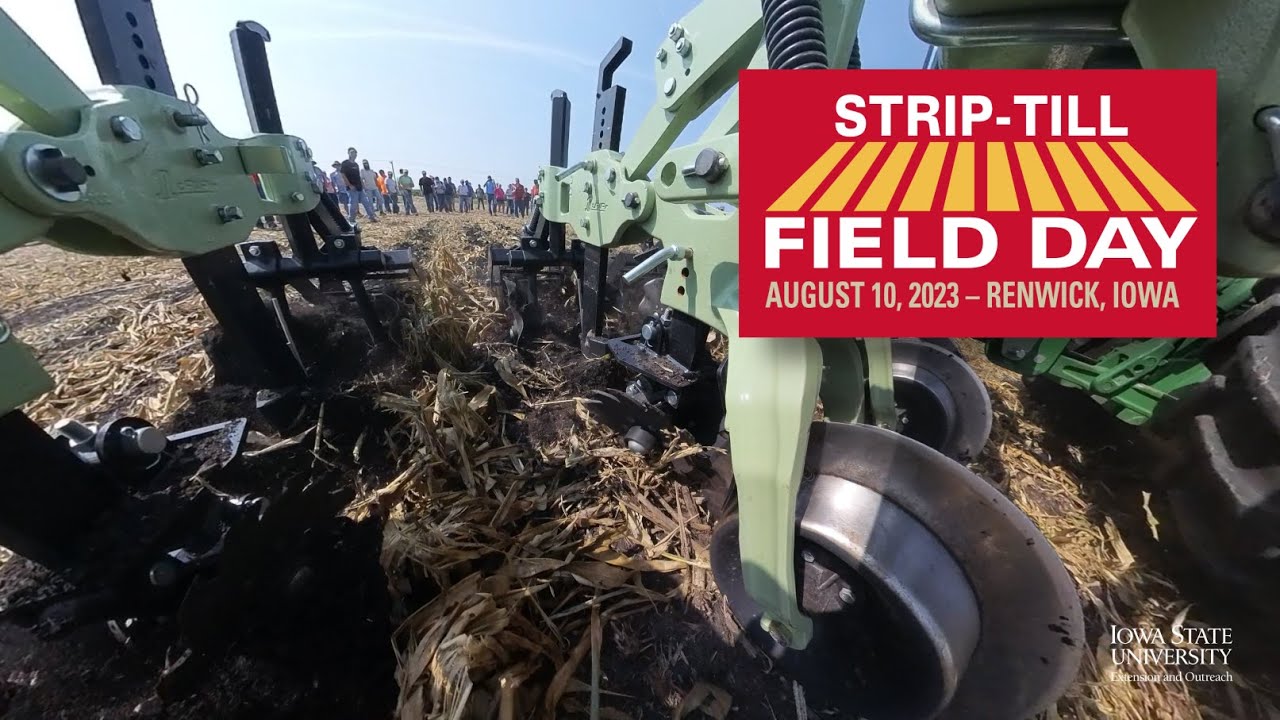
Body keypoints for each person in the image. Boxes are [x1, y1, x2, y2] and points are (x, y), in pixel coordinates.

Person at [340, 148, 378, 221]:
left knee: (366, 203)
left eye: (355, 153)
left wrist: (363, 186)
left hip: (359, 187)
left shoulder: (356, 164)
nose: (354, 154)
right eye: (352, 152)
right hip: (352, 188)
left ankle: (371, 217)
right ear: (348, 153)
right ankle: (351, 219)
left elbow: (358, 176)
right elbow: (343, 175)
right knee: (353, 204)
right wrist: (349, 185)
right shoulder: (345, 163)